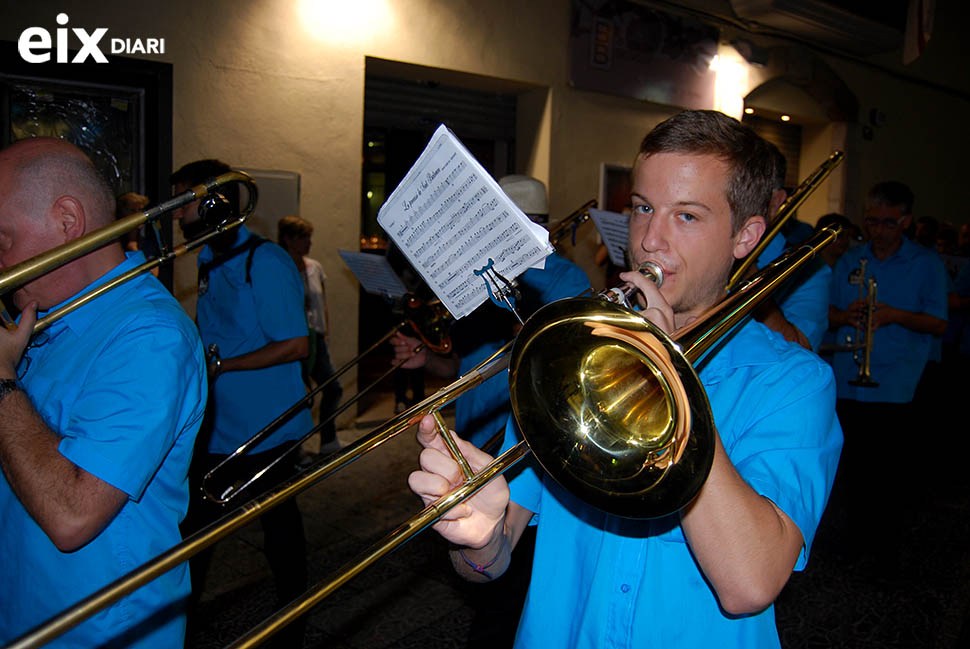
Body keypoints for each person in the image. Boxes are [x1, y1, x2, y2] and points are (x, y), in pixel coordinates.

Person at [409, 110, 842, 647]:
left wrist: (669, 374)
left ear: (745, 236)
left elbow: (748, 585)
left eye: (687, 217)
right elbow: (490, 564)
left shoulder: (794, 383)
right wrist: (474, 540)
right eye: (642, 208)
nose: (651, 241)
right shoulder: (570, 357)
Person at [0, 138, 207, 648]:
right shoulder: (51, 314)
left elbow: (72, 514)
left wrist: (2, 380)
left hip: (100, 629)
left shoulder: (148, 336)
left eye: (2, 240)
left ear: (68, 222)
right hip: (28, 609)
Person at [171, 159, 310, 648]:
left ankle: (295, 612)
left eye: (183, 202)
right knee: (205, 526)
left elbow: (295, 344)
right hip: (223, 422)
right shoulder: (211, 258)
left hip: (267, 427)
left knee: (273, 527)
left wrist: (222, 367)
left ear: (212, 202)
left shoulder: (265, 261)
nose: (176, 215)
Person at [828, 180, 947, 564]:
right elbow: (824, 311)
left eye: (887, 223)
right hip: (849, 379)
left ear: (906, 221)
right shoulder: (851, 259)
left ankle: (883, 547)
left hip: (897, 384)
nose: (877, 231)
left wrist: (894, 316)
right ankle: (851, 541)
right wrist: (845, 316)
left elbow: (939, 323)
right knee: (852, 472)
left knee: (889, 475)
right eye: (871, 221)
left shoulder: (926, 263)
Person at [277, 214, 342, 457]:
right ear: (288, 239)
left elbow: (321, 302)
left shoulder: (315, 267)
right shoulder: (280, 269)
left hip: (316, 337)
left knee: (333, 388)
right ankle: (293, 451)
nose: (308, 242)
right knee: (298, 395)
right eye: (303, 237)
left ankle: (328, 440)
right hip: (293, 340)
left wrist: (326, 332)